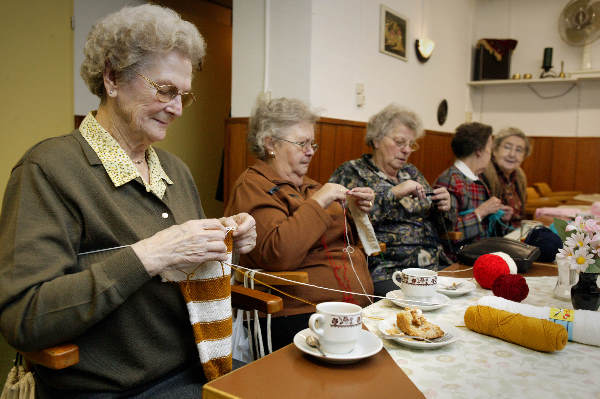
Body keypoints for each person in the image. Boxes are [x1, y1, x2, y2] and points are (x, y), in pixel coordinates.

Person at [0, 5, 256, 398]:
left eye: (184, 96)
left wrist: (226, 240)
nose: (175, 108)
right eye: (165, 89)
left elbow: (192, 269)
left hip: (200, 365)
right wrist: (150, 255)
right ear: (113, 77)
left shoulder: (175, 170)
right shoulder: (48, 169)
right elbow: (26, 318)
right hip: (121, 389)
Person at [225, 96, 375, 350]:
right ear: (270, 144)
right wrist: (319, 202)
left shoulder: (310, 186)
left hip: (348, 308)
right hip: (296, 314)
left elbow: (345, 243)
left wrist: (354, 211)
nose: (311, 151)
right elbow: (278, 254)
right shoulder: (253, 186)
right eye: (302, 143)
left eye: (312, 143)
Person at [329, 104, 453, 296]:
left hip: (433, 262)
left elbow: (439, 221)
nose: (406, 150)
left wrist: (444, 206)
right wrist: (393, 193)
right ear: (377, 140)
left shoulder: (411, 172)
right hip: (389, 269)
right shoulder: (352, 172)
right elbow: (345, 224)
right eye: (400, 142)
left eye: (411, 144)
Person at [435, 122, 513, 247]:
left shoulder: (478, 179)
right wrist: (481, 212)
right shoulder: (450, 181)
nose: (491, 154)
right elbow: (448, 235)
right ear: (479, 151)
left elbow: (486, 227)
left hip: (481, 251)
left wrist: (501, 218)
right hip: (459, 260)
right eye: (490, 149)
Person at [481, 127, 531, 227]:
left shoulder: (520, 177)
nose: (512, 154)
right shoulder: (483, 174)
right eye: (507, 147)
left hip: (516, 234)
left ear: (524, 156)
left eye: (519, 150)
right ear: (495, 150)